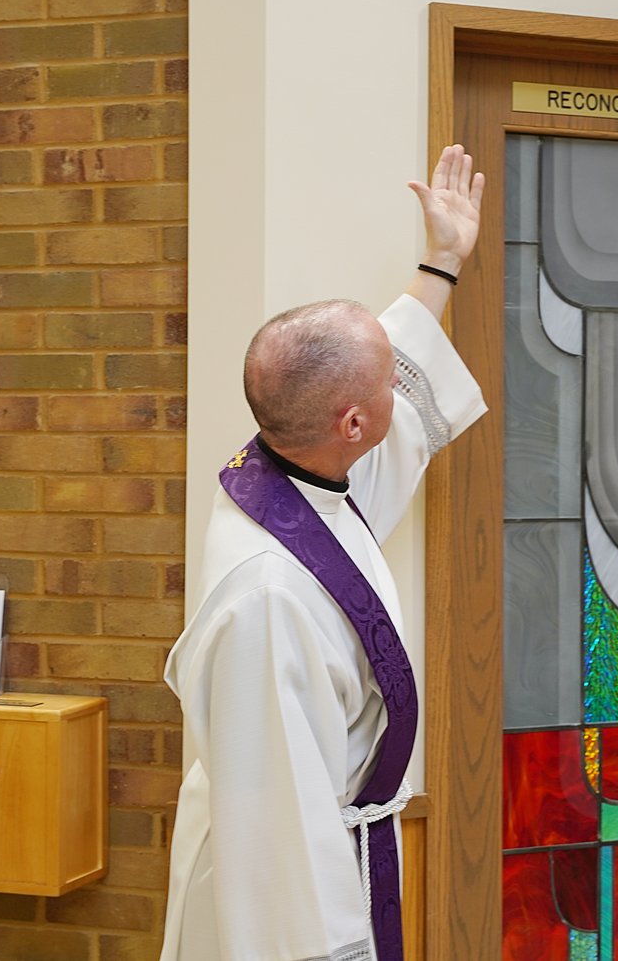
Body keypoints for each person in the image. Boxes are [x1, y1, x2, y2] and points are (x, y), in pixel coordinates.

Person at [160, 145, 488, 961]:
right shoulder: (267, 594)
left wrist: (440, 261)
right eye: (387, 384)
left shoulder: (293, 473)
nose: (402, 387)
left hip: (338, 846)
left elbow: (383, 384)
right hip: (286, 899)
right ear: (350, 423)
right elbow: (280, 826)